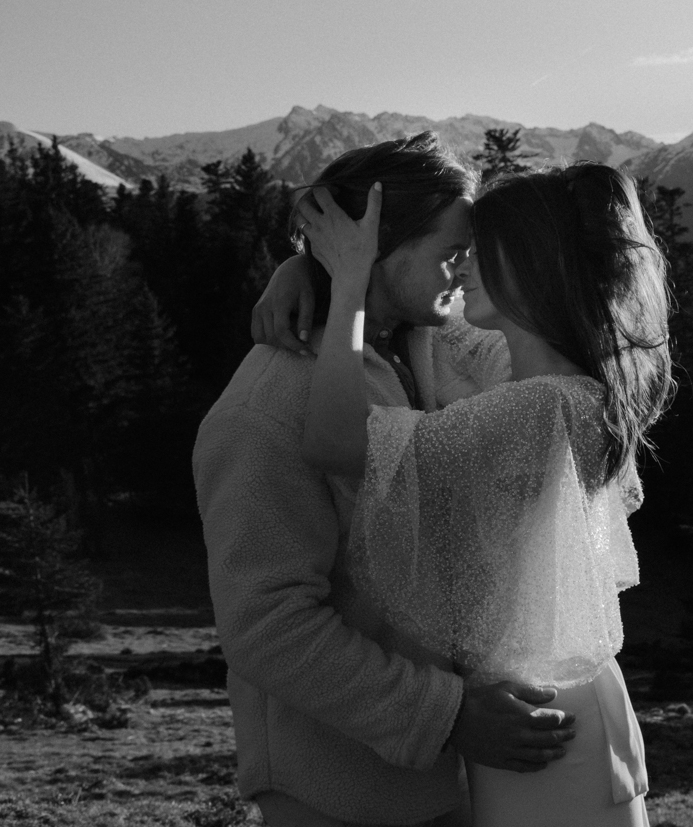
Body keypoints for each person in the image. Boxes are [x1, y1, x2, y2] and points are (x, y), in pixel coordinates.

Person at [194, 134, 577, 827]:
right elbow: (264, 623)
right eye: (451, 251)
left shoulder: (433, 348)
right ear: (375, 248)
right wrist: (448, 713)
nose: (465, 271)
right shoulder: (266, 408)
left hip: (448, 784)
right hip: (335, 794)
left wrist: (309, 270)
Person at [293, 162, 672, 826]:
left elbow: (331, 438)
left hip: (545, 734)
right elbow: (433, 321)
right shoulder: (550, 377)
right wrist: (307, 272)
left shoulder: (539, 409)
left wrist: (348, 281)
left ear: (529, 267)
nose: (462, 264)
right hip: (552, 715)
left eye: (480, 251)